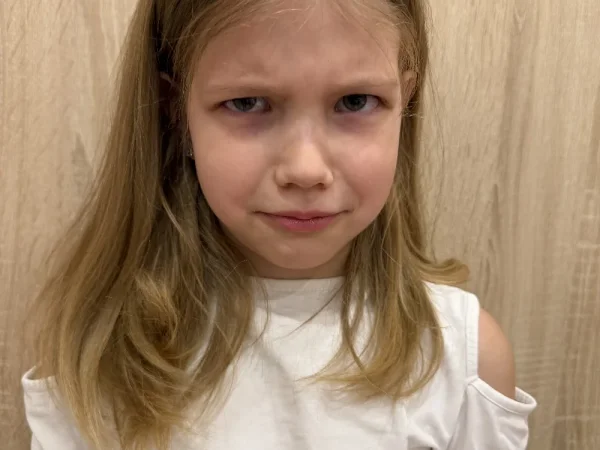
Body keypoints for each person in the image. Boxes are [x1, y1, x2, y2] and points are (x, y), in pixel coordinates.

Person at [22, 0, 537, 449]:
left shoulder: (462, 360)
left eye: (355, 101)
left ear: (405, 103)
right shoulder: (98, 354)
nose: (306, 170)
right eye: (247, 103)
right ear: (175, 112)